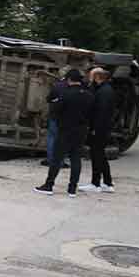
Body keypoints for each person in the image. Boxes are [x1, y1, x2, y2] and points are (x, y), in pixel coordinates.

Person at [34, 69, 94, 197]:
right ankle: (72, 189)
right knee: (76, 159)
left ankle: (49, 185)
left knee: (57, 159)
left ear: (69, 79)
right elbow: (92, 113)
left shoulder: (66, 94)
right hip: (81, 131)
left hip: (65, 130)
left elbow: (55, 111)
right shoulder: (89, 95)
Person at [79, 68, 116, 193]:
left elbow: (102, 113)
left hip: (99, 129)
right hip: (103, 128)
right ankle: (107, 182)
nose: (89, 78)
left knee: (96, 155)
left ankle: (96, 184)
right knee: (101, 155)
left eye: (91, 76)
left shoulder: (104, 92)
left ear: (97, 77)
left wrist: (95, 128)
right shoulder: (105, 89)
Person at [42, 67, 71, 168]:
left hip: (54, 116)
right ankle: (60, 161)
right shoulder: (71, 86)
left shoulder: (57, 86)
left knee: (51, 138)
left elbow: (48, 99)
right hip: (67, 117)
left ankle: (50, 160)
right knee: (63, 139)